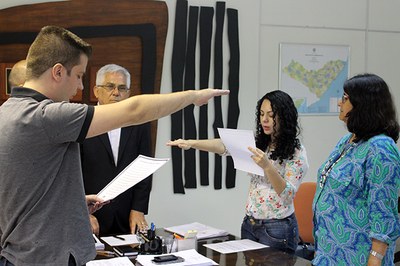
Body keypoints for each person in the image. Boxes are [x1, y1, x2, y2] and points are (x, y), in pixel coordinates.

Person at [0, 25, 229, 266]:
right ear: (58, 72)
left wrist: (73, 202)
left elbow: (24, 190)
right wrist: (193, 97)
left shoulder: (7, 112)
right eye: (78, 75)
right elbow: (135, 110)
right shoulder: (46, 116)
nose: (79, 87)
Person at [167, 90, 309, 253]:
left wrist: (267, 166)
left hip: (277, 227)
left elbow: (287, 194)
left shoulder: (296, 152)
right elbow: (225, 146)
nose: (265, 120)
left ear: (284, 116)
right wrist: (191, 143)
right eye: (262, 114)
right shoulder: (261, 143)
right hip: (250, 223)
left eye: (271, 115)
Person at [312, 73, 400, 265]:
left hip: (357, 257)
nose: (339, 103)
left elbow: (383, 213)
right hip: (328, 254)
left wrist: (375, 260)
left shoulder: (381, 148)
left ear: (363, 104)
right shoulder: (348, 140)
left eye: (345, 98)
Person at [81, 64, 152, 236]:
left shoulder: (139, 123)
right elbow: (71, 173)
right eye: (110, 87)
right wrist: (81, 211)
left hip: (128, 216)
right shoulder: (82, 121)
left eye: (122, 88)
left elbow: (144, 168)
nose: (116, 93)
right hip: (91, 217)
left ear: (128, 93)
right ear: (96, 91)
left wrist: (138, 208)